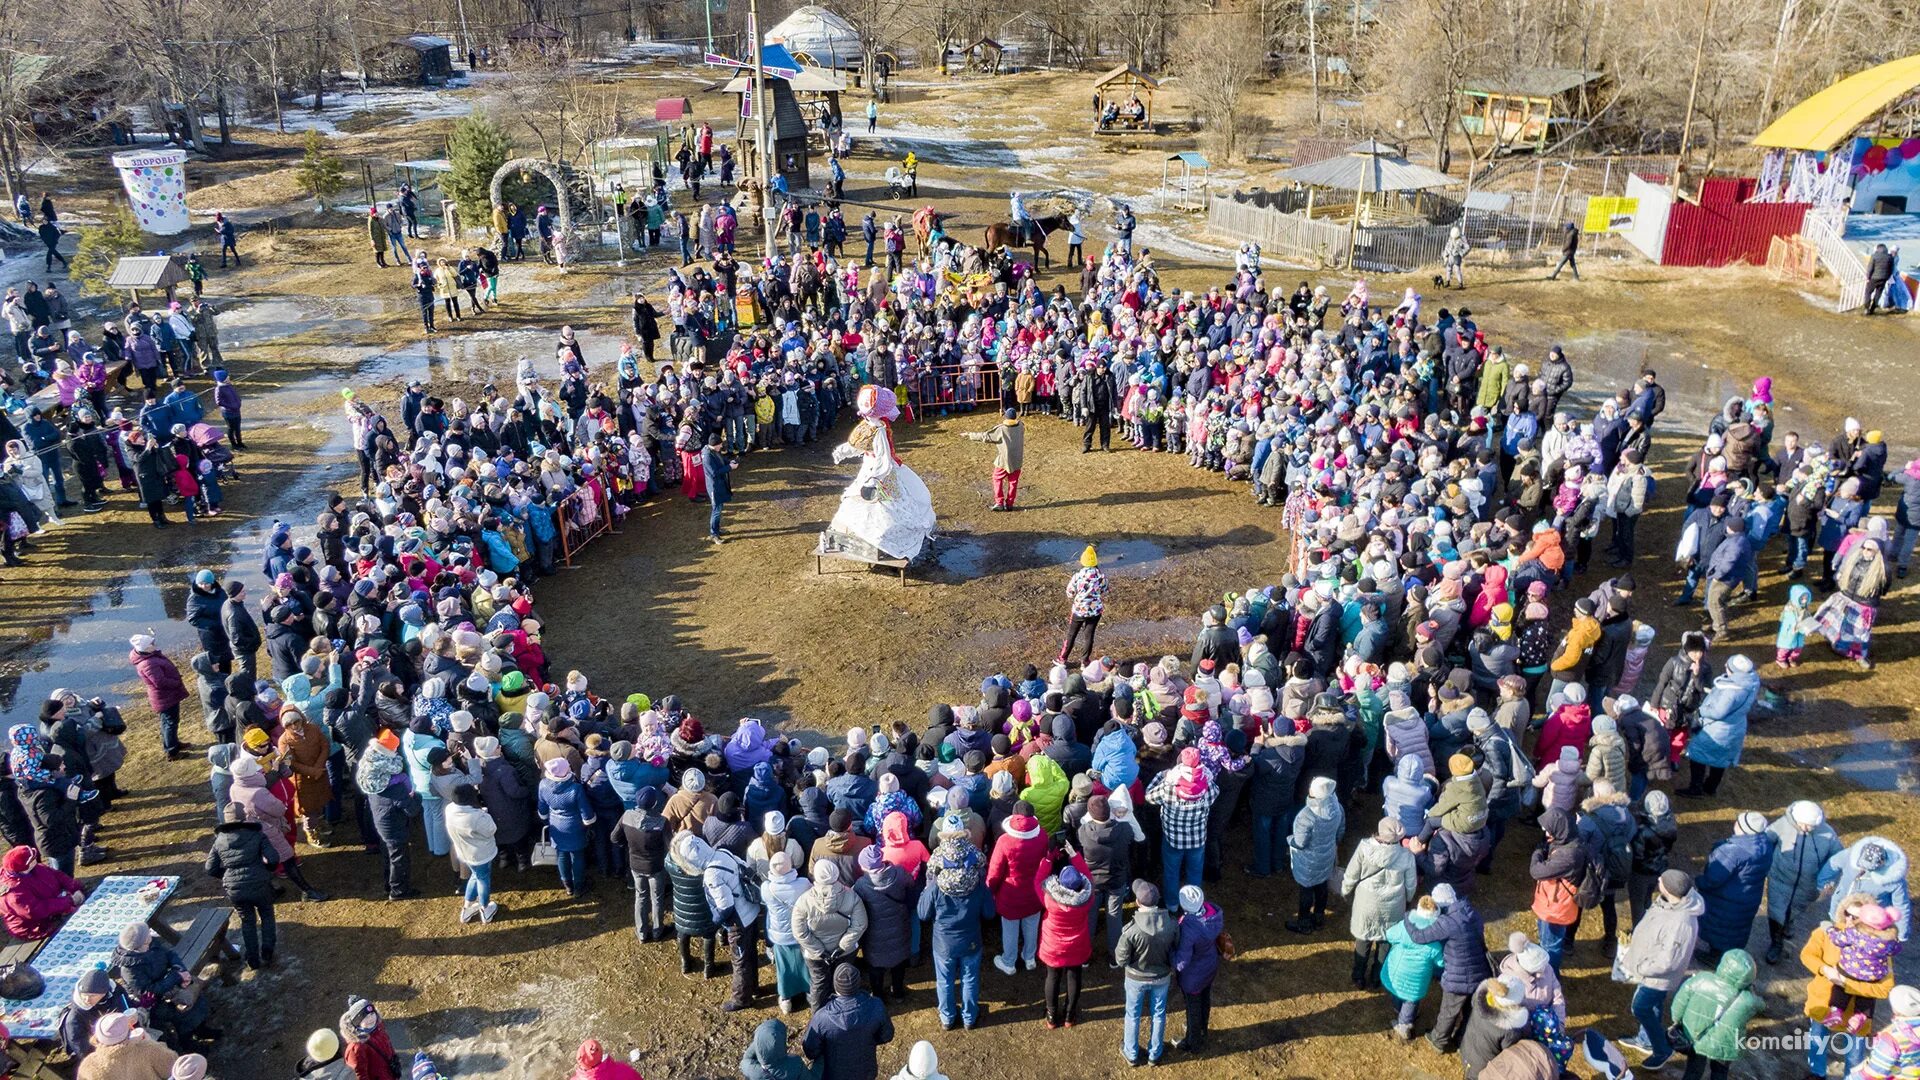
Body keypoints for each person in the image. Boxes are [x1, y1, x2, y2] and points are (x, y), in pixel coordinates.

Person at [1616, 868, 1703, 1069]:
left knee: (1640, 1007)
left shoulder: (1681, 923)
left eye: (1662, 880)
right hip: (1651, 971)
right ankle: (1645, 1040)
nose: (1658, 881)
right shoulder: (1672, 902)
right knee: (1653, 1005)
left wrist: (1640, 966)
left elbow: (1667, 962)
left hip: (1656, 976)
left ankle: (1661, 1048)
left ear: (1671, 890)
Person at [920, 812, 990, 1029]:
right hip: (971, 939)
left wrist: (928, 886)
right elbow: (989, 912)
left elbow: (923, 914)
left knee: (945, 981)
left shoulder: (936, 885)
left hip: (943, 942)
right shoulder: (977, 879)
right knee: (969, 979)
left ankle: (948, 1018)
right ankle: (969, 1017)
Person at [1668, 949, 1763, 1080]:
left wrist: (1677, 1020)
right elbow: (1761, 1006)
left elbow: (1680, 1002)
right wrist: (1749, 990)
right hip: (1724, 1044)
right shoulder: (1748, 1000)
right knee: (1720, 1073)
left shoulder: (1701, 979)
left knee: (1693, 1071)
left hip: (1696, 1036)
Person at [204, 803, 279, 969]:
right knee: (267, 915)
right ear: (244, 816)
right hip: (260, 883)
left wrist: (227, 876)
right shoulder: (257, 834)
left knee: (247, 921)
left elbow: (210, 868)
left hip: (235, 890)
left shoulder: (220, 840)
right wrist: (266, 871)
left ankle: (252, 959)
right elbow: (273, 858)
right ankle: (267, 950)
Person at [1116, 879, 1178, 1067]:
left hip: (1136, 977)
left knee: (1132, 1014)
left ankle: (1131, 1053)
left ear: (1137, 902)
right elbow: (1176, 948)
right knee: (1159, 1013)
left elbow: (1121, 960)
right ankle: (1155, 1053)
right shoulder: (1172, 924)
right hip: (1162, 977)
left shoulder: (1131, 930)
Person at [803, 963, 894, 1080]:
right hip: (866, 1071)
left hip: (832, 1073)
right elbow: (887, 1035)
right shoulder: (876, 1005)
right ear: (859, 983)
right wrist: (867, 1040)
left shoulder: (822, 1017)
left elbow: (810, 1050)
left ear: (835, 986)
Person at [1171, 884, 1223, 1054]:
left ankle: (1193, 1042)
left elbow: (1182, 962)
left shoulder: (1188, 928)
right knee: (1205, 998)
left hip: (1193, 976)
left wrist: (1171, 958)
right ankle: (1202, 1028)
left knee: (1192, 1007)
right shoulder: (1213, 913)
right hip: (1210, 966)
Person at [0, 842, 82, 940]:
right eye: (32, 859)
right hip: (34, 927)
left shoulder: (34, 868)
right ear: (22, 867)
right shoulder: (13, 892)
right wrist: (69, 901)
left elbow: (58, 876)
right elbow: (34, 910)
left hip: (51, 914)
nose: (36, 858)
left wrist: (75, 888)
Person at [128, 633, 189, 759]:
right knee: (170, 723)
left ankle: (173, 743)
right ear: (145, 648)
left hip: (167, 696)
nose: (154, 645)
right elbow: (160, 682)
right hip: (165, 698)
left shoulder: (149, 657)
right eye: (151, 643)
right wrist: (176, 682)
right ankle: (172, 751)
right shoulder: (148, 664)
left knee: (169, 722)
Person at [446, 783, 499, 924]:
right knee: (483, 879)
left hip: (464, 853)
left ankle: (467, 908)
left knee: (475, 876)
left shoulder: (449, 809)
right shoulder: (476, 817)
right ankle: (485, 908)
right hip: (481, 855)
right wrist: (484, 814)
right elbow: (491, 829)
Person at [963, 408, 1024, 511]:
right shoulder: (1021, 426)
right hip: (1017, 460)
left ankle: (999, 503)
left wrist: (970, 435)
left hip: (1004, 461)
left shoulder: (1001, 429)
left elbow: (985, 436)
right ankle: (1010, 504)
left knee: (997, 478)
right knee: (1013, 481)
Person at [1060, 544, 1109, 666]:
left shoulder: (1078, 576)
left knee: (1071, 634)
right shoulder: (1100, 577)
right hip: (1095, 611)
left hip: (1079, 611)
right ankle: (1085, 661)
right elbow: (1105, 590)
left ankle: (1062, 659)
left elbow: (1070, 593)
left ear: (1082, 561)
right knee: (1089, 636)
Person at [702, 431, 733, 543]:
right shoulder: (707, 457)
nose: (721, 446)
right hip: (714, 487)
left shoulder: (713, 451)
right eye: (720, 444)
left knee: (718, 509)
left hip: (719, 485)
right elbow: (714, 473)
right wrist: (729, 467)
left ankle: (717, 530)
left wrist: (729, 462)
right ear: (715, 445)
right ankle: (714, 533)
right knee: (716, 510)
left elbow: (722, 460)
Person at [1866, 243, 1897, 314]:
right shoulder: (1890, 257)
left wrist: (1868, 277)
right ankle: (1872, 308)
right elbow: (1891, 269)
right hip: (1883, 278)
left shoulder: (1874, 256)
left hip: (1873, 278)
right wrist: (1887, 277)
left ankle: (1867, 307)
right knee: (1878, 294)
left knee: (1868, 292)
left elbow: (1870, 268)